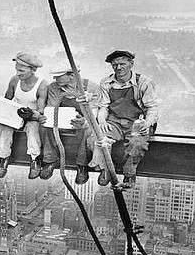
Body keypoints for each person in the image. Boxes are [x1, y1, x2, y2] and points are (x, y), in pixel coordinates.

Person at [89, 50, 159, 188]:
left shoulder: (144, 82)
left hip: (137, 123)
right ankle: (106, 169)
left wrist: (148, 123)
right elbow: (103, 106)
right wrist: (102, 121)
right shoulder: (106, 83)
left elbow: (152, 107)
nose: (119, 68)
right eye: (115, 65)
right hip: (114, 122)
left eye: (122, 64)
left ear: (131, 64)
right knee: (97, 138)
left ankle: (129, 173)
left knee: (137, 143)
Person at [39, 62, 101, 183]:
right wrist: (47, 118)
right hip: (62, 119)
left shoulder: (92, 87)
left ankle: (82, 165)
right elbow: (52, 108)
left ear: (72, 75)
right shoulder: (53, 87)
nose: (55, 79)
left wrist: (84, 122)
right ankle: (50, 160)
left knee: (87, 130)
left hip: (83, 120)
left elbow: (93, 114)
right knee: (46, 126)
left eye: (59, 76)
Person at [0, 52, 48, 179]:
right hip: (16, 113)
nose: (18, 73)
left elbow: (41, 110)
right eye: (17, 70)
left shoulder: (42, 85)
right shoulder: (14, 80)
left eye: (21, 71)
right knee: (4, 127)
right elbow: (7, 99)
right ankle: (4, 157)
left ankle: (35, 159)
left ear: (33, 70)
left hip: (31, 116)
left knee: (33, 129)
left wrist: (31, 114)